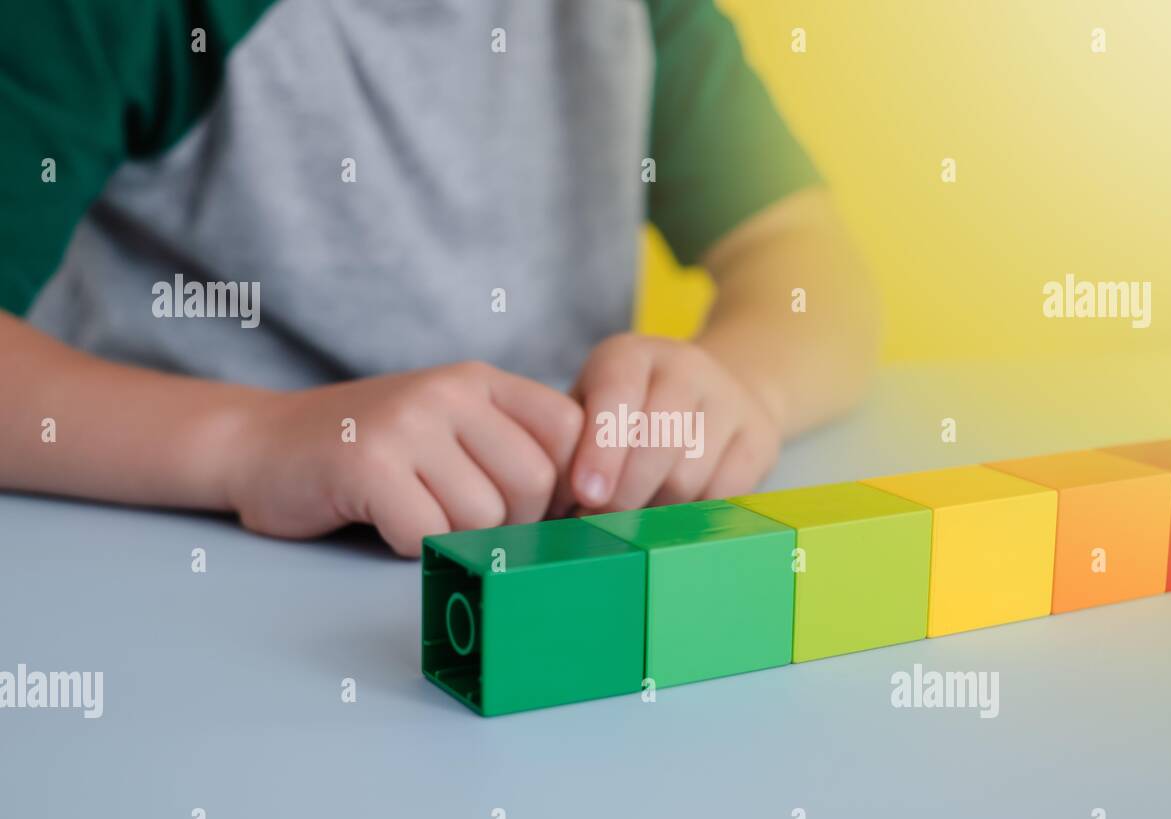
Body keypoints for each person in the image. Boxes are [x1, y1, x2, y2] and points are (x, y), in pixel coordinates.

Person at [0, 0, 873, 556]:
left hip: (542, 569)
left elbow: (804, 254)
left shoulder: (638, 15)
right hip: (172, 563)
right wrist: (250, 444)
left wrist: (740, 386)